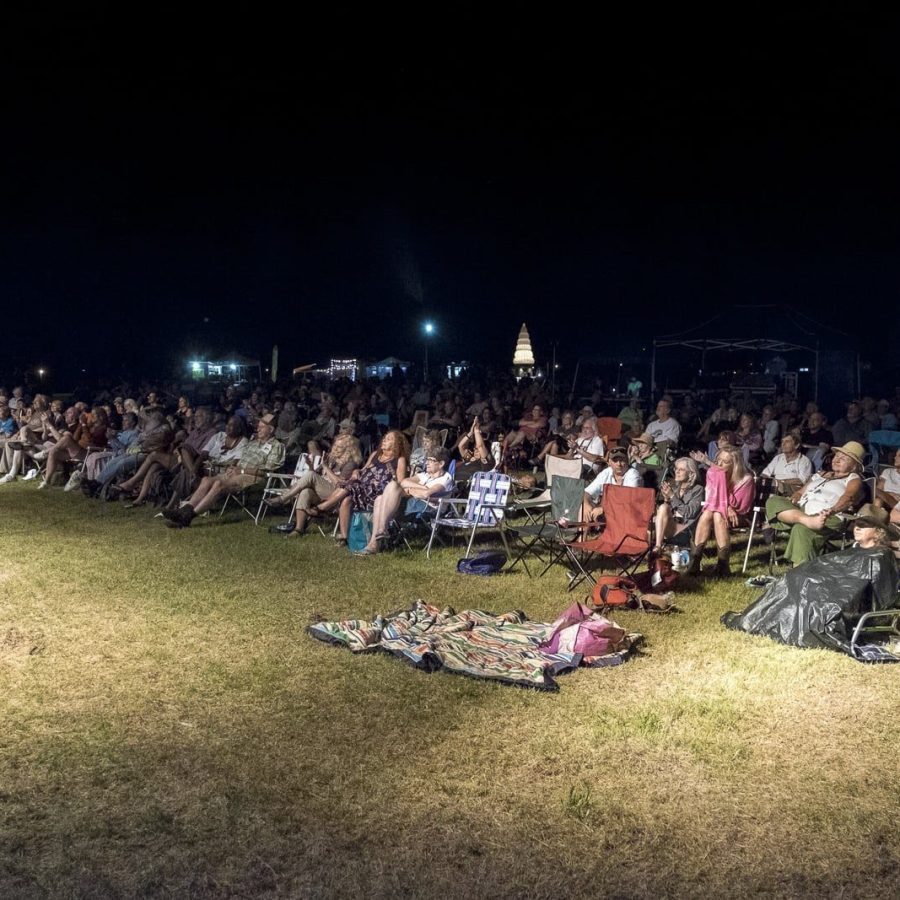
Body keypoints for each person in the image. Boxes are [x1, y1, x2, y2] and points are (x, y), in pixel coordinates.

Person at [162, 414, 285, 528]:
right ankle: (184, 511)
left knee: (218, 485)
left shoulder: (277, 446)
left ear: (271, 430)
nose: (258, 429)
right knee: (206, 480)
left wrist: (242, 470)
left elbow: (267, 470)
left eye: (262, 427)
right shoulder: (253, 443)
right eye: (258, 427)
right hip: (236, 472)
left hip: (253, 477)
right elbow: (240, 459)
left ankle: (188, 516)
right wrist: (233, 467)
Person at [764, 441, 866, 566]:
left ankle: (799, 571)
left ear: (855, 465)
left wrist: (832, 510)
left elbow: (848, 497)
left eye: (843, 458)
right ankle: (806, 520)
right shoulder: (821, 474)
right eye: (836, 456)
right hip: (802, 511)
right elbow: (800, 492)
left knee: (801, 528)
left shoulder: (853, 478)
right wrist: (794, 497)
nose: (837, 460)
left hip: (826, 515)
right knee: (773, 501)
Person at [310, 429, 409, 544]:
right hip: (361, 488)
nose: (384, 440)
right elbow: (363, 470)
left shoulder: (399, 460)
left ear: (397, 443)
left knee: (351, 484)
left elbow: (399, 483)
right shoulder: (375, 455)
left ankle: (324, 507)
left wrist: (384, 480)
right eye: (385, 437)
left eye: (389, 439)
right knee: (347, 499)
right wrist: (356, 471)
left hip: (377, 492)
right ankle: (344, 537)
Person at [266, 427, 362, 536]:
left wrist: (325, 467)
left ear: (348, 449)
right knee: (305, 491)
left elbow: (340, 485)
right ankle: (298, 529)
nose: (335, 449)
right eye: (335, 445)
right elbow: (313, 478)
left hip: (335, 495)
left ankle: (283, 498)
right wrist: (310, 466)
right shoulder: (331, 459)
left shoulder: (350, 463)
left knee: (311, 475)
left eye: (339, 447)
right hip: (322, 492)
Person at [357, 447, 453, 555]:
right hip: (414, 504)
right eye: (427, 460)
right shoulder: (424, 475)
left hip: (427, 509)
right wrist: (420, 488)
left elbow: (427, 494)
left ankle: (376, 540)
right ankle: (380, 533)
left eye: (431, 460)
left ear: (441, 464)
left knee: (388, 491)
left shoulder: (446, 478)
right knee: (383, 495)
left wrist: (411, 490)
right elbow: (404, 482)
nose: (427, 463)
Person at [688, 447, 755, 577]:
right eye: (718, 460)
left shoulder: (746, 480)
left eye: (725, 462)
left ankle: (722, 565)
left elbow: (742, 507)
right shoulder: (715, 474)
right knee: (708, 512)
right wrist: (726, 506)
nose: (719, 464)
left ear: (735, 465)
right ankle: (695, 562)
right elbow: (711, 499)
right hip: (718, 512)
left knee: (717, 513)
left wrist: (727, 504)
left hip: (740, 515)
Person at [653, 457, 704, 551]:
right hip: (671, 527)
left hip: (685, 531)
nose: (677, 471)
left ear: (691, 473)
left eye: (681, 469)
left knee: (663, 508)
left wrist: (672, 496)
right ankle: (650, 549)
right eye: (676, 469)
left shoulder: (698, 490)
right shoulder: (676, 489)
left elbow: (689, 513)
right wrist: (666, 498)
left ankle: (657, 547)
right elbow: (668, 512)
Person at [582, 447, 642, 525]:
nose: (619, 464)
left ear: (628, 461)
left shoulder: (633, 475)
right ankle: (582, 535)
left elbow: (627, 501)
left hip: (629, 512)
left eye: (622, 460)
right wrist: (586, 504)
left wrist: (603, 508)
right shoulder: (606, 472)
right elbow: (587, 492)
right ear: (609, 462)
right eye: (615, 461)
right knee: (584, 506)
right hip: (610, 510)